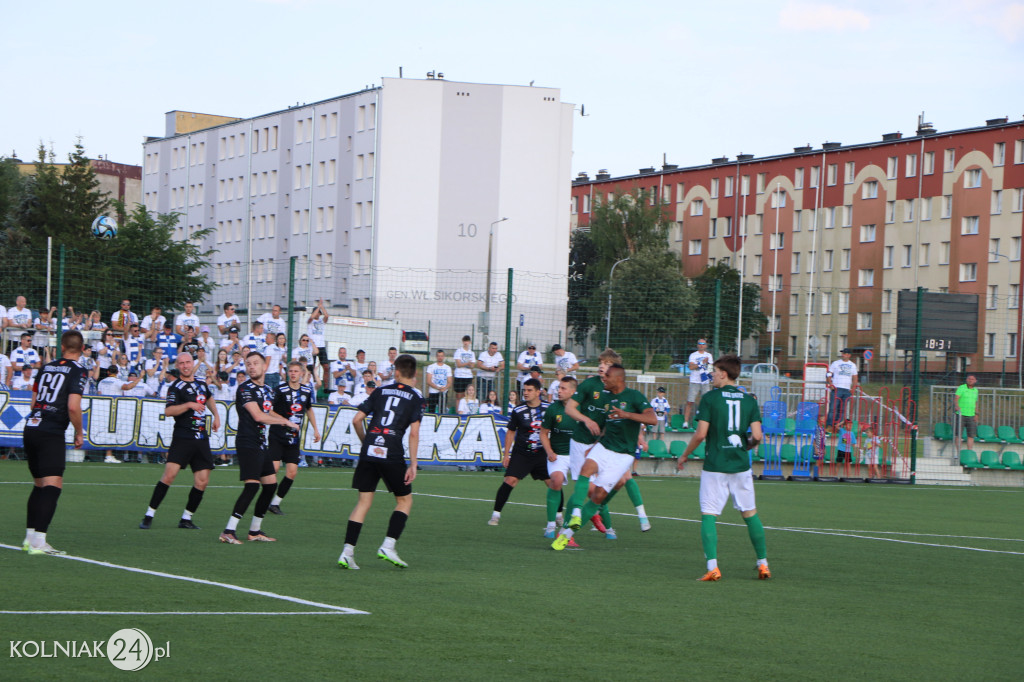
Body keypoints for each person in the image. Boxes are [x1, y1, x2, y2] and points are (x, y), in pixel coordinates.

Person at [676, 354, 769, 581]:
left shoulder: (710, 398)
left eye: (715, 371)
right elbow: (757, 435)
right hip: (740, 466)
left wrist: (684, 455)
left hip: (715, 465)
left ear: (724, 374)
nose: (712, 375)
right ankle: (763, 564)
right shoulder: (749, 400)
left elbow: (700, 434)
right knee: (750, 514)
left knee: (709, 514)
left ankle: (713, 567)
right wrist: (742, 449)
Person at [552, 365, 656, 550]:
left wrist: (627, 415)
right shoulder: (606, 398)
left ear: (618, 379)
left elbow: (652, 419)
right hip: (604, 446)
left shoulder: (634, 396)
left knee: (598, 497)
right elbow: (606, 426)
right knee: (585, 470)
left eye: (607, 376)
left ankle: (567, 535)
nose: (604, 379)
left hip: (623, 455)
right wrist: (593, 445)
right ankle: (576, 512)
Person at [337, 354, 424, 570]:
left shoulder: (380, 391)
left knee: (363, 502)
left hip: (369, 451)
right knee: (404, 501)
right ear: (414, 375)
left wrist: (366, 441)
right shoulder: (415, 397)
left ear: (395, 372)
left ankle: (347, 553)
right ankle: (388, 545)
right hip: (391, 451)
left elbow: (357, 419)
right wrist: (413, 464)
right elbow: (414, 433)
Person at [218, 352, 299, 544]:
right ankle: (228, 531)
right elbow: (258, 416)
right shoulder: (245, 388)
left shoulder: (268, 390)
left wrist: (284, 419)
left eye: (255, 363)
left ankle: (254, 531)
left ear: (264, 367)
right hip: (248, 442)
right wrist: (285, 423)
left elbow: (267, 410)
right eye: (248, 364)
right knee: (252, 486)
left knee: (270, 486)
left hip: (262, 443)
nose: (251, 366)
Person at [138, 352, 221, 530]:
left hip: (201, 437)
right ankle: (149, 514)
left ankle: (186, 518)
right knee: (169, 476)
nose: (185, 366)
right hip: (183, 436)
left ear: (193, 363)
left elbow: (209, 398)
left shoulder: (200, 383)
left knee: (202, 481)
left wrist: (216, 415)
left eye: (187, 362)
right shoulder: (175, 387)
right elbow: (168, 411)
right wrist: (189, 405)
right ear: (178, 366)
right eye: (181, 363)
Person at [22, 330, 87, 555]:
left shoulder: (46, 367)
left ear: (61, 347)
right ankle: (39, 542)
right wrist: (80, 432)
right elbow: (73, 406)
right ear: (82, 349)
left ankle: (29, 539)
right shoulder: (78, 370)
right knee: (52, 486)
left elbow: (33, 403)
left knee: (39, 485)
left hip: (32, 426)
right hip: (51, 431)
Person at [488, 378, 551, 527]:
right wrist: (506, 454)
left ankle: (559, 515)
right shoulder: (518, 410)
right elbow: (510, 432)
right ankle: (496, 514)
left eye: (529, 390)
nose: (526, 393)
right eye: (524, 390)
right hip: (522, 453)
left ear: (538, 392)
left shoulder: (549, 409)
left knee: (553, 483)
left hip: (542, 453)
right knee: (510, 480)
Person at [267, 361, 321, 515]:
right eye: (291, 371)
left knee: (292, 472)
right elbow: (269, 411)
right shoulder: (280, 390)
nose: (293, 374)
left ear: (302, 373)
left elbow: (309, 409)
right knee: (274, 469)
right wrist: (286, 421)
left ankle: (275, 503)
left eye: (296, 371)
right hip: (277, 435)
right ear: (287, 373)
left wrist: (316, 429)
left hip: (293, 438)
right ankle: (265, 499)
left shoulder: (306, 390)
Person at [540, 376, 579, 538]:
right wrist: (549, 452)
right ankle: (550, 526)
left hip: (579, 455)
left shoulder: (582, 408)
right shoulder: (553, 409)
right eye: (559, 388)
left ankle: (606, 525)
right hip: (559, 455)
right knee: (555, 481)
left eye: (563, 388)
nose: (559, 391)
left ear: (573, 391)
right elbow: (543, 433)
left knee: (589, 490)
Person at [684, 339, 714, 429]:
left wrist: (711, 376)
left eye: (703, 344)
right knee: (690, 401)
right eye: (700, 343)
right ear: (697, 345)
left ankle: (706, 422)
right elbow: (691, 367)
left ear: (706, 345)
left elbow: (710, 367)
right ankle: (685, 422)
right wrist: (701, 363)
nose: (701, 345)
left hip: (705, 381)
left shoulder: (709, 355)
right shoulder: (693, 355)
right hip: (695, 381)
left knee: (707, 402)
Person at [826, 348, 859, 427]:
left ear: (849, 355)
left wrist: (853, 389)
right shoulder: (836, 363)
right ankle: (830, 426)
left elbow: (855, 377)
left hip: (847, 390)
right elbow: (829, 374)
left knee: (842, 409)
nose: (842, 355)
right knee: (832, 408)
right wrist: (830, 384)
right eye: (842, 353)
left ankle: (838, 426)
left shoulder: (853, 365)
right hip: (837, 388)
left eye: (844, 353)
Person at [307, 298, 329, 386]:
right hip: (312, 346)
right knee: (312, 366)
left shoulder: (321, 322)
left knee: (326, 367)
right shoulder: (310, 322)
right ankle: (313, 382)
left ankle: (326, 387)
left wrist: (321, 307)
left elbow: (327, 316)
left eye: (318, 312)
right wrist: (317, 308)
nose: (317, 314)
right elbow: (311, 317)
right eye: (316, 312)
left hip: (321, 346)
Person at [955, 374, 979, 453]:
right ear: (966, 380)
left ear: (975, 381)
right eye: (969, 378)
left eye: (972, 379)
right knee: (959, 434)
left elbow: (975, 402)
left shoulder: (975, 391)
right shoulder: (961, 387)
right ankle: (958, 453)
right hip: (961, 414)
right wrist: (957, 406)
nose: (970, 380)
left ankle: (969, 452)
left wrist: (976, 414)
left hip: (971, 415)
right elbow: (956, 398)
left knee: (971, 435)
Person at [426, 349, 452, 414]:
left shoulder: (447, 368)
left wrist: (444, 388)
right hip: (433, 392)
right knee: (431, 410)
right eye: (439, 356)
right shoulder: (431, 367)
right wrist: (437, 387)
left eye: (441, 356)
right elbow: (428, 381)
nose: (440, 357)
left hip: (443, 392)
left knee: (442, 410)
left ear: (444, 357)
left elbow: (450, 381)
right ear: (436, 356)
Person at [452, 335, 476, 403]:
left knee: (467, 396)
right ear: (463, 342)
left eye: (467, 341)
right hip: (459, 375)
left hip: (468, 376)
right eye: (464, 341)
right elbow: (458, 364)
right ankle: (458, 412)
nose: (466, 343)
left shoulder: (472, 353)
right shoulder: (458, 351)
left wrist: (467, 364)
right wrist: (467, 364)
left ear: (470, 342)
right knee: (459, 396)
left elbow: (472, 365)